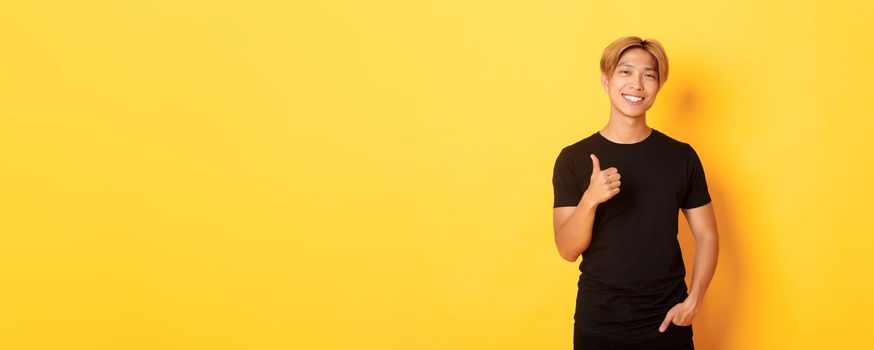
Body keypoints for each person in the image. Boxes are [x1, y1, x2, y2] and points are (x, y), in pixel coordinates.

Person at [551, 36, 719, 350]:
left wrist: (694, 301)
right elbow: (567, 249)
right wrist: (590, 199)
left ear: (658, 86)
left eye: (649, 75)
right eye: (625, 72)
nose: (637, 84)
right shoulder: (573, 158)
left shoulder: (680, 157)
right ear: (606, 80)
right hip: (599, 322)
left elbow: (708, 235)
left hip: (667, 321)